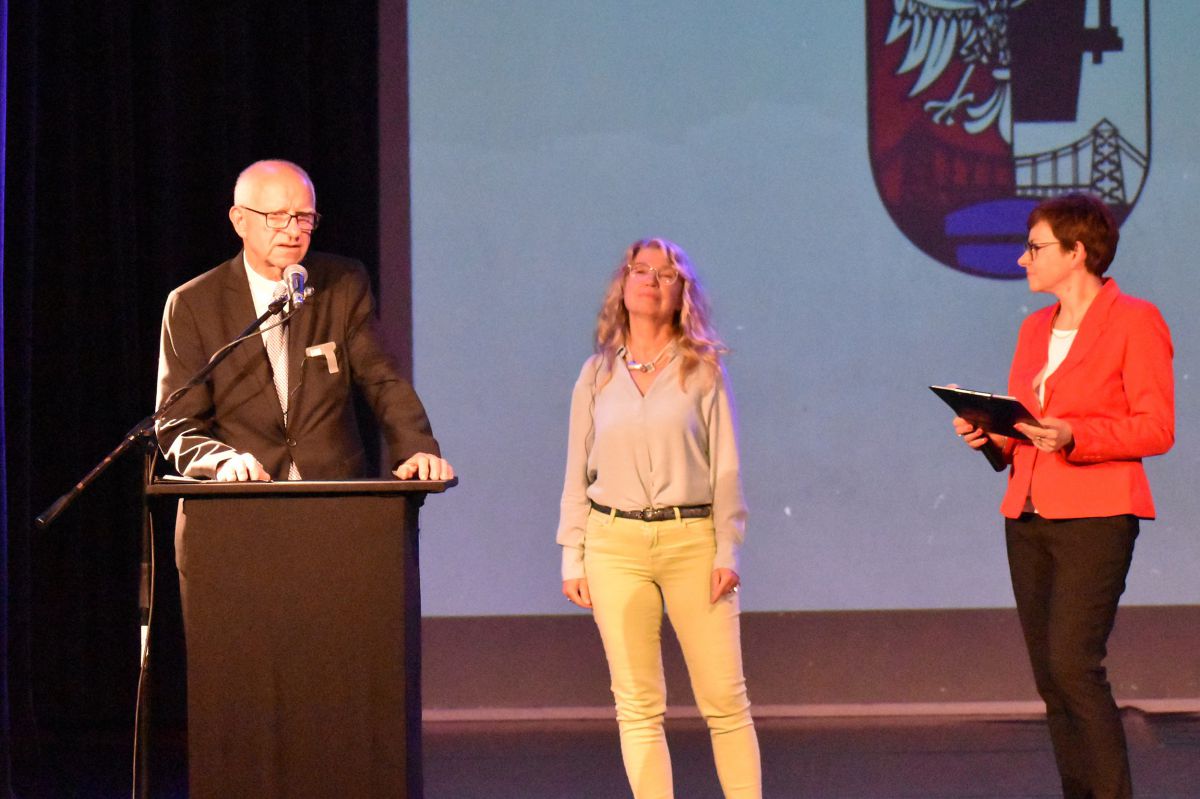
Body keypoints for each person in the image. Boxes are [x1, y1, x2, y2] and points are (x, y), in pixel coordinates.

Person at [953, 193, 1173, 799]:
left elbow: (1157, 427)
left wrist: (1078, 434)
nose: (1022, 259)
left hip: (1096, 515)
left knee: (1075, 666)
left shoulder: (1135, 320)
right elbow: (1023, 431)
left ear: (1077, 252)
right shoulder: (1033, 329)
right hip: (1028, 514)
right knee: (1052, 678)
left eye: (1035, 247)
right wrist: (988, 437)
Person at [557, 238, 761, 798]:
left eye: (666, 274)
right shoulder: (596, 374)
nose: (651, 280)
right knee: (637, 706)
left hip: (691, 540)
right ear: (623, 284)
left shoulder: (703, 370)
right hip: (613, 543)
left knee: (725, 701)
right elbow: (576, 469)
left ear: (681, 294)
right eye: (640, 269)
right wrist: (573, 555)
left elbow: (726, 469)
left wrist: (728, 549)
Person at [155, 159, 452, 483]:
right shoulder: (193, 304)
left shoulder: (343, 284)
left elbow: (382, 379)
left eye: (304, 218)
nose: (294, 231)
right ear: (239, 220)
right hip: (244, 495)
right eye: (277, 217)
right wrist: (221, 461)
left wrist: (415, 448)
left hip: (332, 493)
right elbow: (178, 422)